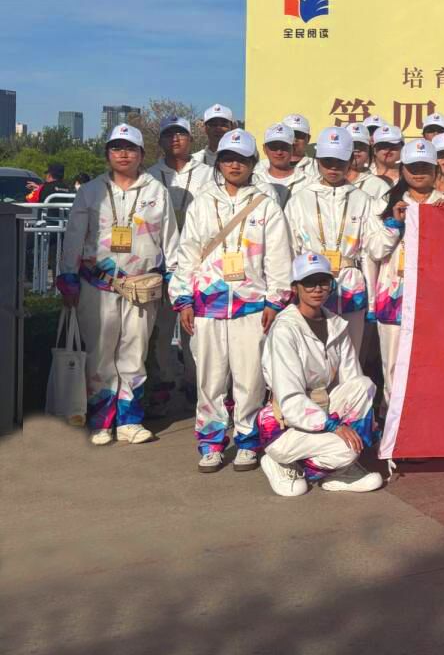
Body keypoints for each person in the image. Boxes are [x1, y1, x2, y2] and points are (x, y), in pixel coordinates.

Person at [170, 130, 292, 472]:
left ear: (253, 163)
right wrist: (183, 299)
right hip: (207, 305)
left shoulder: (266, 205)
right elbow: (188, 253)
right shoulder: (203, 203)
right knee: (209, 380)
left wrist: (275, 301)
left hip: (251, 305)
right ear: (219, 163)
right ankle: (210, 443)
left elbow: (278, 257)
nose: (234, 165)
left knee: (250, 379)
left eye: (241, 159)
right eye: (227, 159)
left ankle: (247, 441)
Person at [56, 123, 178, 445]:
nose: (123, 154)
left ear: (141, 154)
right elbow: (74, 236)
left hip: (141, 286)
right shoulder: (90, 191)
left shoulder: (156, 191)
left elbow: (170, 239)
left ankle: (129, 420)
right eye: (116, 148)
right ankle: (101, 420)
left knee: (134, 353)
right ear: (107, 153)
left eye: (130, 148)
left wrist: (173, 277)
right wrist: (68, 274)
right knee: (100, 354)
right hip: (99, 285)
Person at [257, 252, 383, 497]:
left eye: (323, 282)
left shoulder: (336, 324)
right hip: (285, 422)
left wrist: (365, 420)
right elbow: (290, 397)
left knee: (364, 385)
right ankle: (280, 461)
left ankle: (336, 470)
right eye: (309, 282)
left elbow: (351, 378)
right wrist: (334, 426)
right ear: (295, 287)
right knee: (348, 450)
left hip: (323, 406)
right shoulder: (285, 329)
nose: (317, 289)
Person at [285, 127, 402, 363]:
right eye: (327, 161)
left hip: (350, 288)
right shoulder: (299, 200)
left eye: (339, 161)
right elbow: (289, 249)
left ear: (350, 161)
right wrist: (289, 290)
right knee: (313, 359)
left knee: (350, 360)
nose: (333, 167)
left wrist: (394, 226)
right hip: (311, 287)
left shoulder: (363, 200)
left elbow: (376, 249)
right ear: (317, 160)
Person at [145, 115, 213, 416]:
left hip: (197, 261)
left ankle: (194, 386)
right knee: (160, 331)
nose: (175, 139)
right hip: (160, 264)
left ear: (191, 139)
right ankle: (163, 385)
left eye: (181, 134)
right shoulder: (150, 176)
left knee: (194, 330)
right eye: (169, 134)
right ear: (160, 140)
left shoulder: (207, 174)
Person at [373, 138, 443, 406]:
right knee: (393, 365)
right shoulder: (384, 205)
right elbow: (375, 251)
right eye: (413, 167)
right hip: (395, 295)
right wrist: (394, 224)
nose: (419, 172)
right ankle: (394, 421)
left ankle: (424, 419)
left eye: (425, 166)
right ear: (402, 169)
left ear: (436, 170)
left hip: (434, 298)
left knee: (430, 363)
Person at [258, 122, 311, 207]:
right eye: (274, 147)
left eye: (284, 146)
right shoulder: (256, 179)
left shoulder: (308, 181)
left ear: (292, 149)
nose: (279, 152)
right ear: (264, 149)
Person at [282, 113, 316, 181]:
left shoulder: (318, 168)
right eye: (290, 135)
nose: (294, 139)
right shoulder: (265, 167)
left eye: (299, 135)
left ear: (308, 139)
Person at [370, 124, 404, 191]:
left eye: (393, 145)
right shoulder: (365, 173)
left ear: (402, 148)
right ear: (374, 150)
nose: (388, 149)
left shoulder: (410, 174)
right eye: (383, 145)